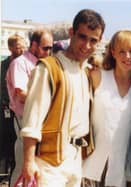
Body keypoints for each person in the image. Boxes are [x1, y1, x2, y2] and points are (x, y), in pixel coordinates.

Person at [20, 9, 105, 187]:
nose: (87, 45)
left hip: (75, 160)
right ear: (71, 33)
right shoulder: (48, 69)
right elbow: (31, 121)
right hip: (49, 162)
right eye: (82, 37)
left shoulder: (85, 72)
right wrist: (28, 162)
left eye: (93, 40)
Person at [82, 29, 131, 187]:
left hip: (121, 171)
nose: (127, 57)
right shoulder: (97, 77)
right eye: (122, 51)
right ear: (113, 52)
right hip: (90, 167)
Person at [5, 28, 53, 187]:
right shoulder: (20, 64)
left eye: (51, 48)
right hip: (24, 122)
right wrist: (48, 100)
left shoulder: (43, 64)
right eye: (45, 48)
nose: (49, 52)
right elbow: (21, 94)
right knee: (22, 169)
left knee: (36, 171)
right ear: (34, 45)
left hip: (40, 123)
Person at [0, 34, 26, 184]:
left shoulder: (25, 64)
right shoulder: (4, 65)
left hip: (20, 112)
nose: (21, 49)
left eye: (23, 46)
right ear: (10, 48)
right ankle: (4, 175)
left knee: (18, 143)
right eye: (18, 47)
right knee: (5, 141)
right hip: (5, 110)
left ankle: (15, 173)